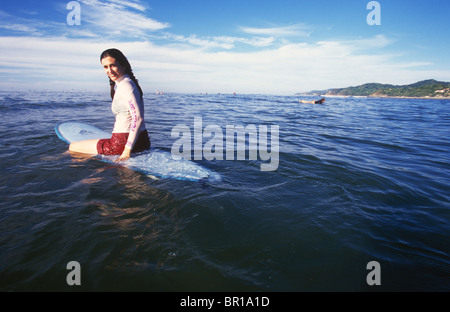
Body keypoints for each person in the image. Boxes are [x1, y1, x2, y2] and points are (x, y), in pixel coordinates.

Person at [69, 48, 151, 162]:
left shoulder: (126, 86)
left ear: (123, 65)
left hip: (121, 143)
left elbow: (138, 118)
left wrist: (126, 151)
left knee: (72, 147)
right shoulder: (126, 83)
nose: (109, 70)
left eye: (113, 65)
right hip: (142, 141)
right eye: (105, 67)